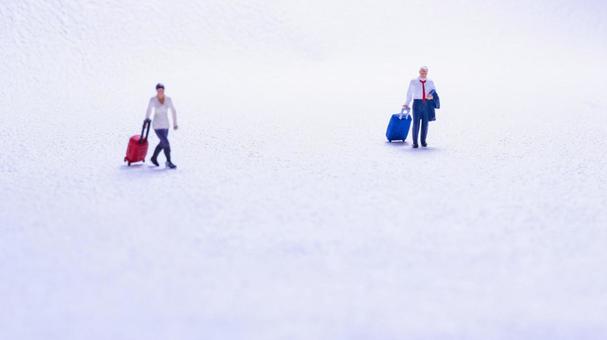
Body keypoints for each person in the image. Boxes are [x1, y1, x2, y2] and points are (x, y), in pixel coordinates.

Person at [145, 83, 178, 169]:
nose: (160, 92)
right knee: (166, 142)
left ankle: (153, 158)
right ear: (156, 91)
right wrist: (146, 119)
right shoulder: (153, 100)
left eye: (162, 90)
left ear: (164, 90)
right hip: (157, 126)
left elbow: (173, 111)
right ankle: (168, 161)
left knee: (163, 143)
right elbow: (149, 110)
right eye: (158, 90)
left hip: (166, 125)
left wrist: (174, 123)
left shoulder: (168, 99)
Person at [403, 66, 437, 148]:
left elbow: (434, 92)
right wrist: (406, 103)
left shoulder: (430, 82)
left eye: (425, 71)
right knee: (416, 123)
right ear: (419, 71)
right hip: (417, 104)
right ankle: (415, 142)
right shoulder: (413, 81)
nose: (423, 73)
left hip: (426, 104)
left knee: (425, 124)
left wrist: (431, 96)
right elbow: (409, 93)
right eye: (422, 71)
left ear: (427, 72)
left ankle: (423, 141)